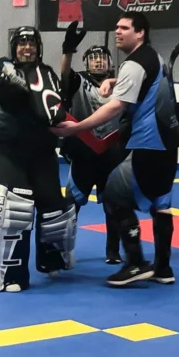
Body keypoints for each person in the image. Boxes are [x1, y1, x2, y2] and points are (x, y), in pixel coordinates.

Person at [52, 11, 179, 287]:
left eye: (124, 27)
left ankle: (135, 263)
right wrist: (113, 82)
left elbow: (117, 106)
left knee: (113, 195)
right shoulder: (154, 58)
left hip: (148, 144)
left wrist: (76, 127)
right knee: (160, 204)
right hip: (168, 147)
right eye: (116, 27)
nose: (118, 32)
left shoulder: (134, 64)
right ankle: (163, 268)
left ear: (140, 32)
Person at [0, 25, 77, 293]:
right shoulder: (2, 66)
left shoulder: (47, 74)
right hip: (8, 152)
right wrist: (13, 85)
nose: (27, 47)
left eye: (32, 43)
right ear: (14, 47)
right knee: (17, 209)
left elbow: (58, 104)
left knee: (53, 208)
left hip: (43, 154)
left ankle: (51, 260)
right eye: (22, 43)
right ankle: (13, 273)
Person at [58, 23, 124, 264]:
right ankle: (64, 248)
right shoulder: (79, 82)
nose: (98, 62)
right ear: (86, 64)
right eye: (93, 59)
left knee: (114, 204)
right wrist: (68, 51)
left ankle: (113, 251)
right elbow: (64, 75)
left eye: (102, 58)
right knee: (71, 204)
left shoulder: (121, 84)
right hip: (84, 152)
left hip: (112, 154)